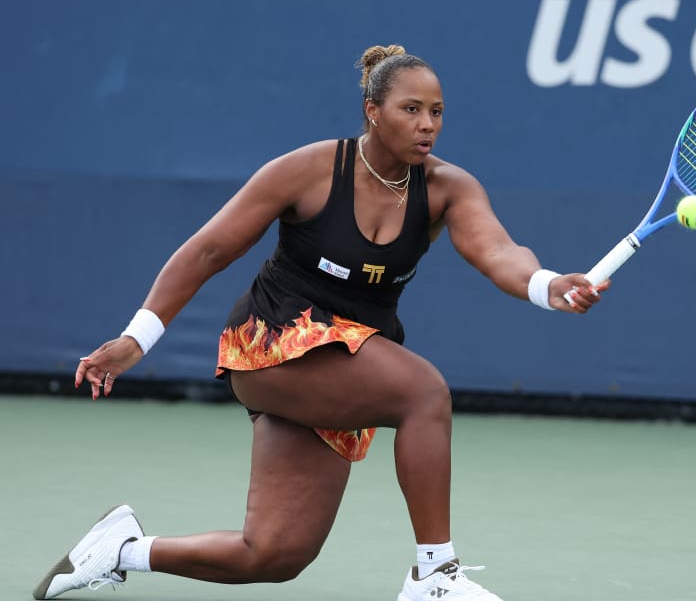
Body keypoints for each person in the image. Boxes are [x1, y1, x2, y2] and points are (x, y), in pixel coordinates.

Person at [33, 44, 609, 601]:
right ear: (372, 111)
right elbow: (208, 250)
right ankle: (435, 575)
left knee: (276, 554)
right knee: (424, 393)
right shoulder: (306, 171)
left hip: (345, 364)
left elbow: (499, 252)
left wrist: (548, 286)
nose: (427, 124)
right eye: (411, 110)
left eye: (436, 112)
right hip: (272, 346)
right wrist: (138, 338)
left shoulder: (446, 189)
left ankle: (122, 550)